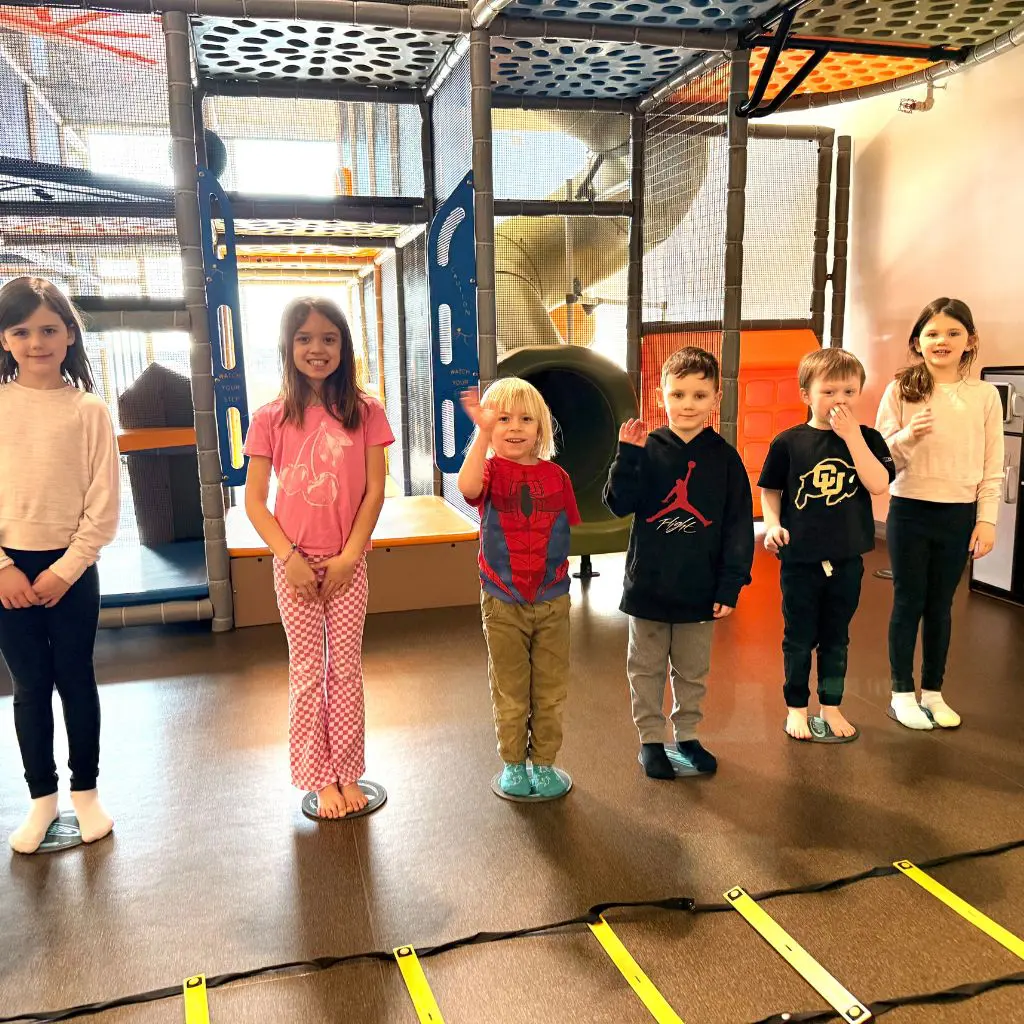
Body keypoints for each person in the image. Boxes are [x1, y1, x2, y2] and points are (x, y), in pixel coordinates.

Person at [244, 297, 394, 817]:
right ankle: (317, 777)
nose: (317, 348)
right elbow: (255, 502)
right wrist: (288, 558)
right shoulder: (269, 417)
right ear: (288, 346)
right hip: (295, 567)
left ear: (343, 346)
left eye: (328, 338)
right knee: (308, 670)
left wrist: (352, 555)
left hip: (347, 565)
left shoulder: (367, 411)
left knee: (346, 670)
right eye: (305, 338)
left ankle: (349, 771)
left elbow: (375, 490)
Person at [0, 277, 120, 853]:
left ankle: (86, 792)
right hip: (6, 571)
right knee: (29, 685)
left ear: (69, 335)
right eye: (22, 330)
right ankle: (41, 798)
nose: (36, 341)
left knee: (76, 677)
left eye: (48, 329)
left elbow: (102, 505)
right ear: (4, 338)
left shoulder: (88, 410)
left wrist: (66, 569)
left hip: (71, 568)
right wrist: (2, 568)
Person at [604, 347, 753, 780]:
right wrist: (626, 455)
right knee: (645, 668)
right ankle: (650, 740)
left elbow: (739, 526)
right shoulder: (644, 448)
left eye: (699, 395)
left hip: (699, 592)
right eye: (678, 393)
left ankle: (687, 734)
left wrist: (730, 586)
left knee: (692, 671)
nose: (688, 404)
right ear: (659, 396)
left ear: (715, 398)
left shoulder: (725, 459)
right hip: (648, 588)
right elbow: (618, 505)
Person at [875, 298, 1004, 730]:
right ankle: (900, 693)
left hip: (959, 514)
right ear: (917, 342)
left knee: (941, 606)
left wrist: (986, 519)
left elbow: (992, 466)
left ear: (970, 341)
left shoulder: (985, 396)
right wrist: (909, 435)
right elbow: (880, 456)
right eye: (931, 333)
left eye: (952, 332)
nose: (941, 340)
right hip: (910, 510)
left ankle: (933, 691)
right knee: (908, 601)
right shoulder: (901, 390)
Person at [758, 348, 894, 742]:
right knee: (799, 635)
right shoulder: (789, 442)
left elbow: (878, 483)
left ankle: (831, 705)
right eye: (829, 391)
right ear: (806, 395)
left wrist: (852, 437)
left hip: (847, 558)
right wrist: (772, 525)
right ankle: (796, 707)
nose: (840, 400)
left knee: (837, 636)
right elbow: (771, 490)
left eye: (849, 392)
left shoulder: (867, 438)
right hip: (800, 559)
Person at [458, 378, 580, 798]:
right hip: (502, 601)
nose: (514, 427)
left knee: (550, 688)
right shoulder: (490, 470)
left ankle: (544, 762)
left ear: (541, 428)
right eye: (503, 418)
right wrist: (480, 435)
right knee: (510, 690)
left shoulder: (557, 476)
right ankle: (513, 761)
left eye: (526, 419)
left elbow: (565, 530)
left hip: (552, 600)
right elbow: (468, 488)